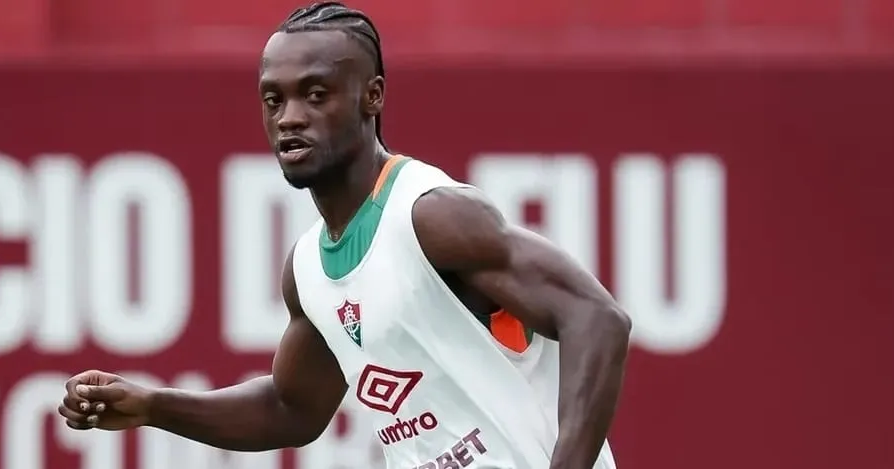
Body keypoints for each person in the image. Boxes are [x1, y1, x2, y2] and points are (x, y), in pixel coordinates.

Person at [58, 2, 631, 468]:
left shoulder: (431, 216)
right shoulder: (308, 269)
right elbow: (291, 409)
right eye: (273, 99)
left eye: (315, 94)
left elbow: (597, 318)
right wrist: (153, 405)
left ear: (372, 97)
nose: (289, 118)